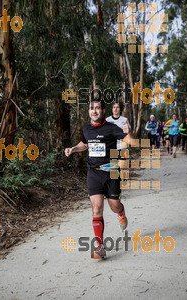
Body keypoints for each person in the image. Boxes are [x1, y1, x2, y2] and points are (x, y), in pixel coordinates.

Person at [65, 100, 135, 259]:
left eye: (97, 108)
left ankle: (121, 213)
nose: (94, 111)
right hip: (94, 173)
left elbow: (130, 141)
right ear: (89, 111)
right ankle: (100, 246)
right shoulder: (86, 129)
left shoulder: (111, 128)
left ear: (103, 111)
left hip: (111, 172)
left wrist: (128, 131)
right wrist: (73, 149)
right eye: (91, 108)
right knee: (96, 208)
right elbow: (84, 144)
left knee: (114, 205)